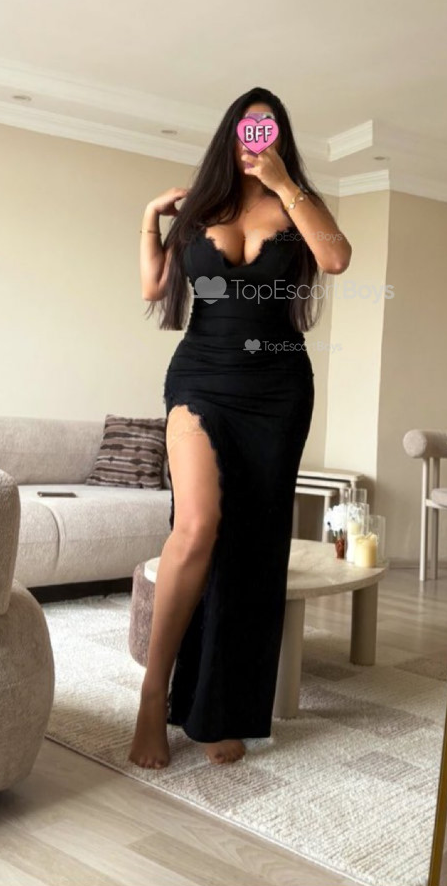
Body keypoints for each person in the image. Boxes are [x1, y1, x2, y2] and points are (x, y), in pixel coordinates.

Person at [128, 87, 352, 767]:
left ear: (280, 139)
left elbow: (336, 258)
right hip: (201, 377)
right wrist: (149, 217)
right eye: (249, 128)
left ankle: (216, 709)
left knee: (252, 544)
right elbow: (153, 286)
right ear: (230, 135)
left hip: (276, 386)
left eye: (269, 130)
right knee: (197, 526)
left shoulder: (296, 203)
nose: (257, 139)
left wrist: (285, 184)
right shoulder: (200, 209)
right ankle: (152, 695)